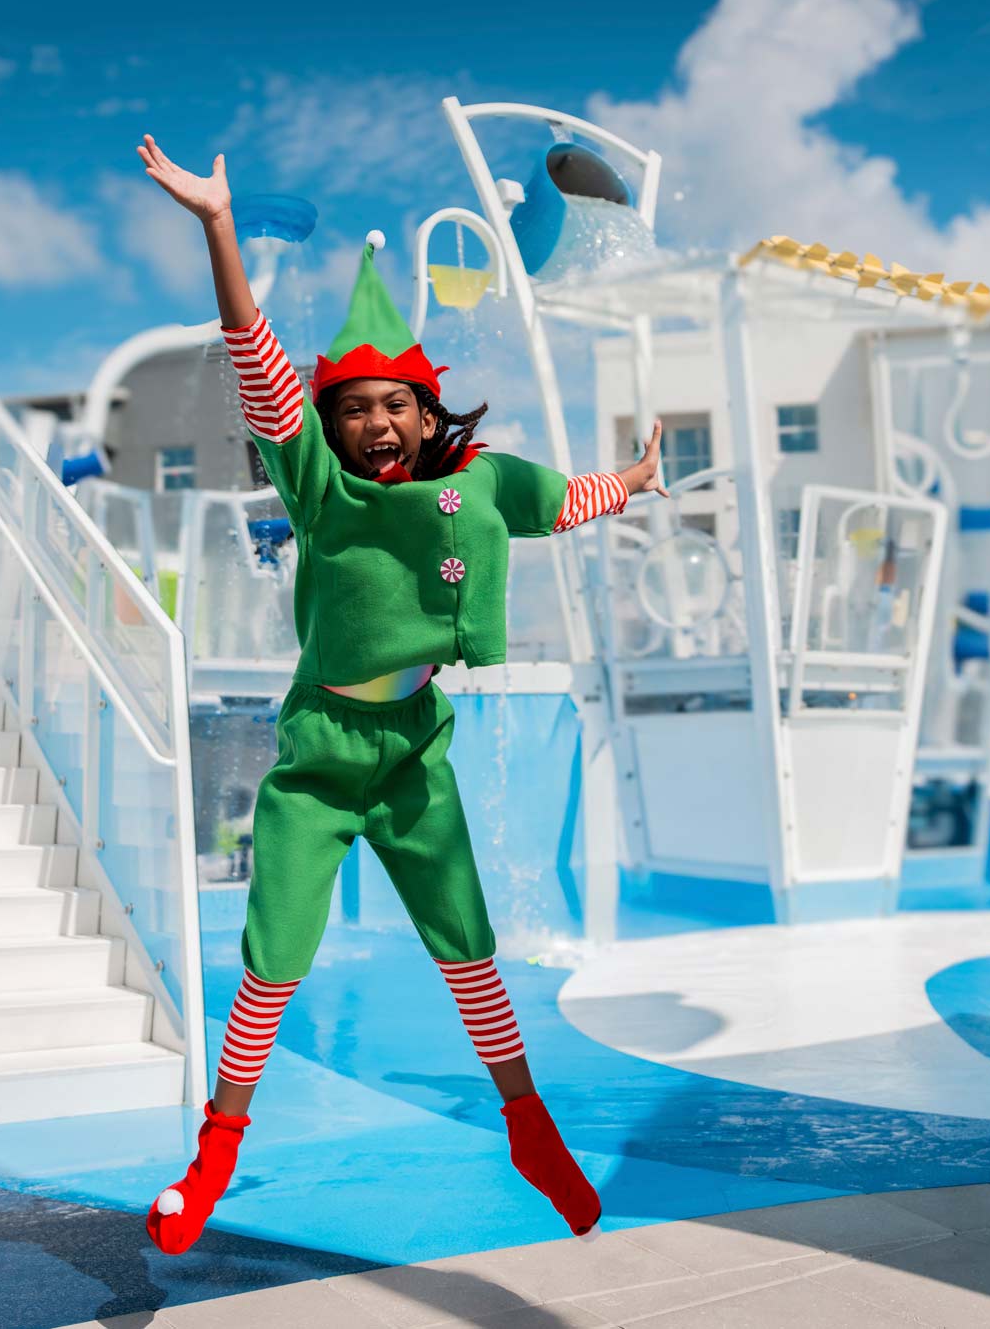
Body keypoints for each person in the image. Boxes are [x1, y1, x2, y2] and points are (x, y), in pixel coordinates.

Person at [137, 135, 664, 1255]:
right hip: (321, 756)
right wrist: (220, 230)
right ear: (332, 428)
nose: (375, 423)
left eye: (396, 406)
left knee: (466, 945)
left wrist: (633, 480)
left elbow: (564, 501)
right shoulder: (320, 492)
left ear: (429, 418)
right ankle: (216, 1148)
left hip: (412, 750)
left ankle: (527, 1124)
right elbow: (260, 364)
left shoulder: (476, 490)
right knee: (270, 954)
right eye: (355, 408)